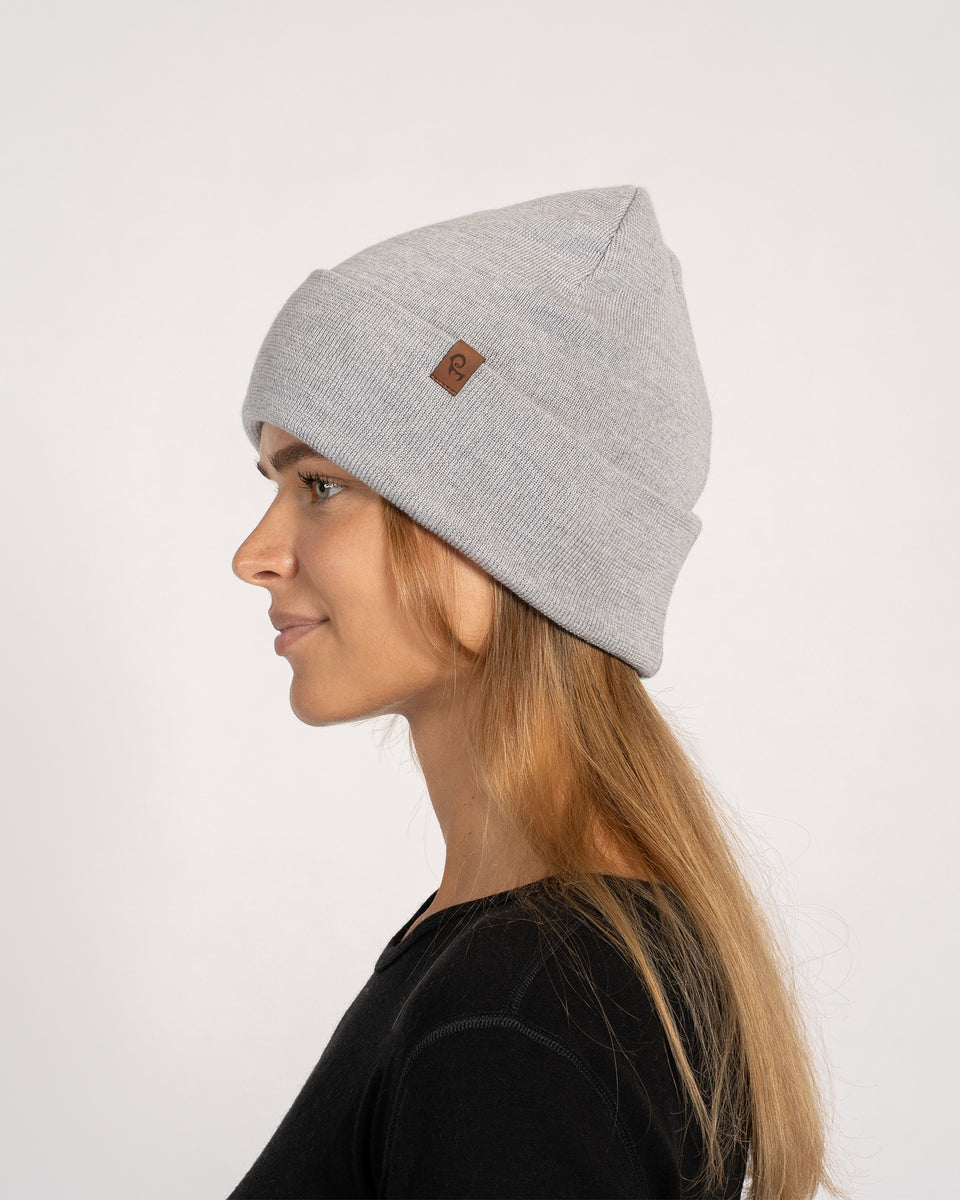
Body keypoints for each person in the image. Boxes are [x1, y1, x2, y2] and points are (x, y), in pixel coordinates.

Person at [226, 184, 845, 1200]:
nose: (254, 554)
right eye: (273, 484)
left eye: (320, 485)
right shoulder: (525, 970)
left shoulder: (522, 1013)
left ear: (499, 534)